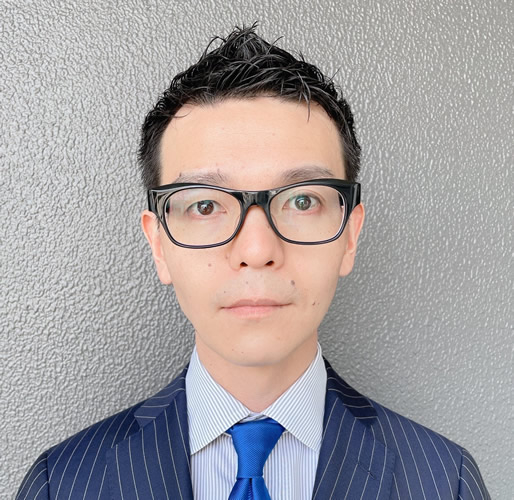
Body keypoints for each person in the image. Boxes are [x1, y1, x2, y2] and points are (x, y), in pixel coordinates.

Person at [17, 25, 489, 500]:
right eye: (205, 205)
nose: (257, 250)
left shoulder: (443, 481)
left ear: (350, 235)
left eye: (302, 200)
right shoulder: (63, 484)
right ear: (159, 244)